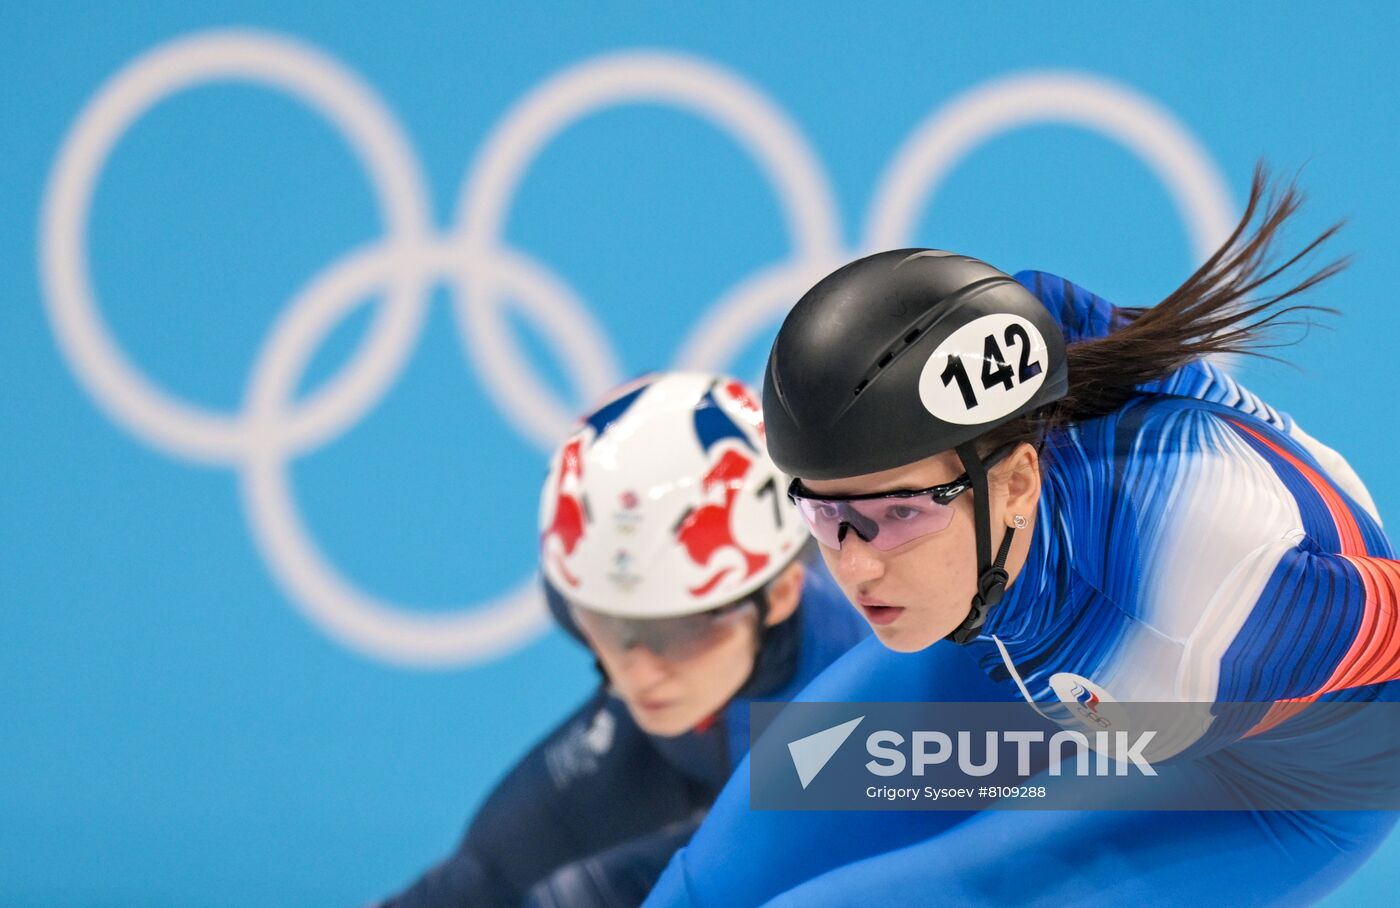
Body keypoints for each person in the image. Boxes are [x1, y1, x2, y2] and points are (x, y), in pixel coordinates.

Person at [645, 170, 1400, 907]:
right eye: (826, 515)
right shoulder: (1025, 342)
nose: (856, 564)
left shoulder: (1206, 595)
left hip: (1273, 787)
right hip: (1015, 613)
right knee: (715, 884)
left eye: (900, 512)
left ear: (1016, 481)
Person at [378, 372, 902, 908]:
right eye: (611, 624)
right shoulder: (589, 606)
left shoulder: (869, 686)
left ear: (784, 593)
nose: (640, 672)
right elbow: (482, 876)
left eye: (683, 628)